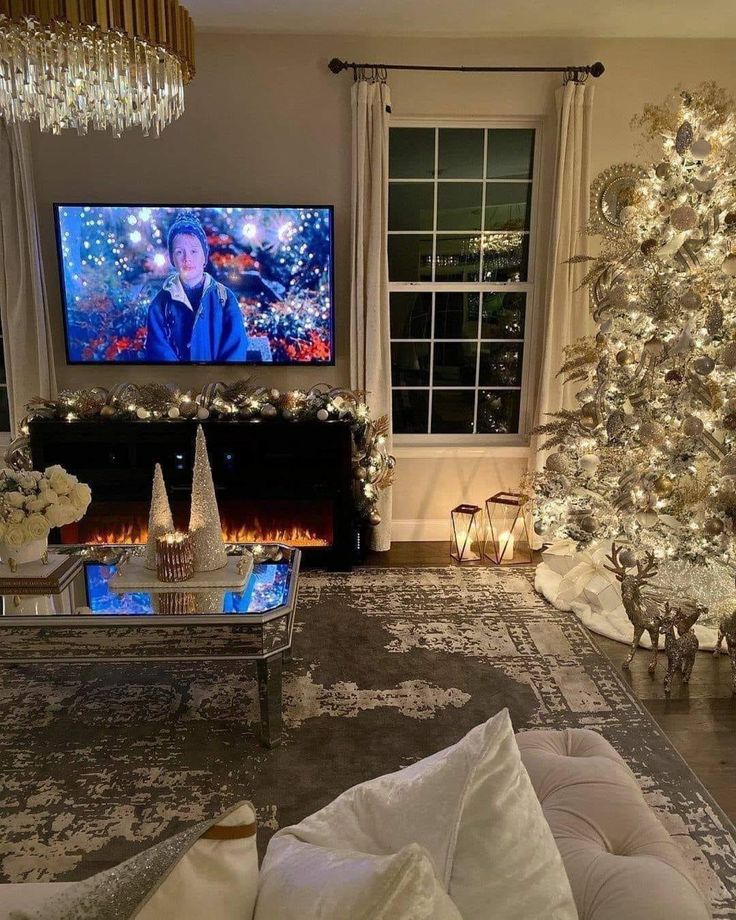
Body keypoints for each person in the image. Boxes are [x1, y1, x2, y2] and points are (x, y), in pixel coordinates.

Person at [145, 214, 253, 362]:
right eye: (179, 252)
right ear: (172, 259)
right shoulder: (160, 305)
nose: (187, 258)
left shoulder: (225, 299)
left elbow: (236, 348)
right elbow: (158, 350)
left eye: (194, 251)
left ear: (204, 256)